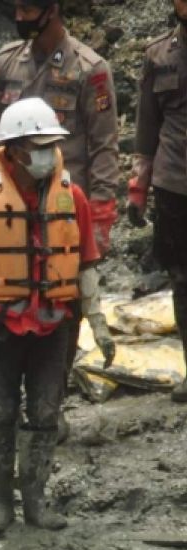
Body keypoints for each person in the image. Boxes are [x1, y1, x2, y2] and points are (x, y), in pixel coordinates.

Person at [0, 97, 110, 536]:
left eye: (49, 145)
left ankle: (36, 501)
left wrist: (99, 326)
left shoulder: (71, 197)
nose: (46, 153)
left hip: (54, 325)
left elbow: (86, 266)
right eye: (37, 145)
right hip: (2, 326)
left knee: (45, 414)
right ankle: (0, 503)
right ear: (16, 149)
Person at [0, 0, 121, 447]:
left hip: (63, 211)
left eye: (30, 6)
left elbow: (103, 149)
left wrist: (99, 220)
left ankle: (49, 409)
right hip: (11, 206)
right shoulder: (6, 63)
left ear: (53, 9)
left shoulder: (89, 70)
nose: (21, 15)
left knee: (63, 309)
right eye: (17, 6)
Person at [130, 2, 187, 402]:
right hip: (175, 185)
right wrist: (138, 186)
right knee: (182, 280)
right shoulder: (158, 56)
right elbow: (147, 125)